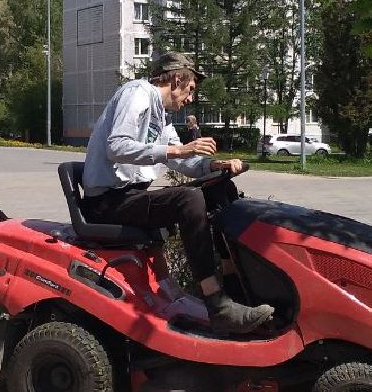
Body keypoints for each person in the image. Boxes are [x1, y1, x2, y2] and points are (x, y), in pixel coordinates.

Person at [80, 51, 274, 337]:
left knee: (219, 187)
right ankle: (217, 306)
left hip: (127, 198)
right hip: (107, 202)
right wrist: (177, 150)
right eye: (191, 88)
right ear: (176, 79)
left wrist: (214, 166)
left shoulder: (161, 117)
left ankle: (236, 288)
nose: (191, 98)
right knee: (189, 199)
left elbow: (184, 161)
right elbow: (117, 146)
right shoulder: (137, 94)